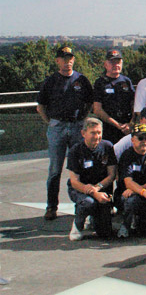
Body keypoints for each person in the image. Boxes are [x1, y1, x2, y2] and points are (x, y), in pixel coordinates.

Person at [37, 45, 94, 221]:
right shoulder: (50, 81)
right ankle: (51, 206)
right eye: (63, 59)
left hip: (77, 127)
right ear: (57, 61)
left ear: (73, 60)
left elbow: (90, 103)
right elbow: (40, 106)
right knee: (55, 170)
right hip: (58, 127)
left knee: (80, 168)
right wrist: (51, 123)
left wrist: (82, 119)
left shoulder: (81, 80)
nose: (67, 62)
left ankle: (82, 204)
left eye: (70, 58)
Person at [66, 118, 116, 241]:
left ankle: (93, 217)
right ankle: (77, 226)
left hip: (101, 188)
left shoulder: (107, 147)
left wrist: (98, 188)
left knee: (105, 233)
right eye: (93, 133)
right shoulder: (75, 151)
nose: (97, 136)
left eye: (99, 133)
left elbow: (111, 175)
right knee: (88, 202)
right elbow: (74, 181)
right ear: (83, 133)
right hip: (81, 189)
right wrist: (93, 193)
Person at [92, 49, 135, 143]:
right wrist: (117, 125)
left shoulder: (127, 81)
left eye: (118, 62)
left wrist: (130, 123)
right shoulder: (100, 83)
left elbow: (134, 104)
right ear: (105, 64)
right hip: (108, 128)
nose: (116, 65)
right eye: (112, 62)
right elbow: (97, 109)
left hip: (127, 128)